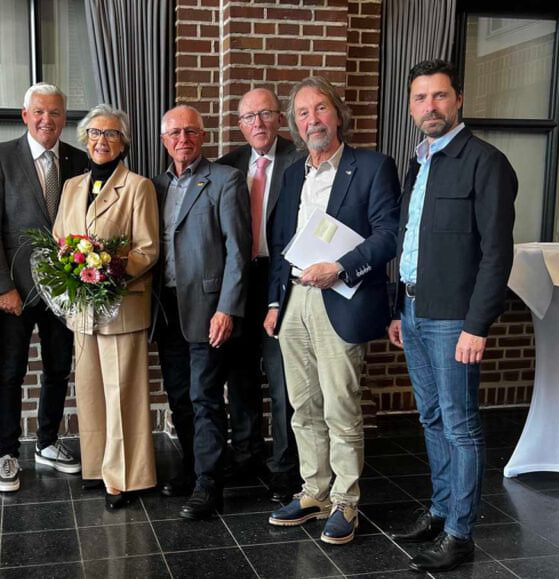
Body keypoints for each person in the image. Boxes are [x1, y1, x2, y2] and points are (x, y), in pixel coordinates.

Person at [388, 59, 517, 572]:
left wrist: (476, 325)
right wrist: (400, 307)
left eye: (439, 96)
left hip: (454, 319)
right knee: (432, 416)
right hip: (415, 310)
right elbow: (411, 244)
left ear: (458, 99)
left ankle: (461, 533)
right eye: (420, 98)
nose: (430, 107)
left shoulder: (486, 161)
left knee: (460, 425)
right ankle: (441, 510)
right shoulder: (418, 162)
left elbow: (496, 254)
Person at [265, 77, 400, 544]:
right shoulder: (292, 173)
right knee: (302, 405)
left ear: (337, 114)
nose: (312, 120)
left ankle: (346, 501)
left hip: (341, 296)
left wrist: (339, 268)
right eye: (303, 114)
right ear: (296, 125)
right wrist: (274, 300)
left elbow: (388, 235)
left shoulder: (372, 166)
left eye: (320, 109)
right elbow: (280, 242)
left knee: (341, 404)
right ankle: (314, 492)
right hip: (295, 300)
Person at [0, 83, 88, 492]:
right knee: (11, 371)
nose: (47, 120)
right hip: (16, 293)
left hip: (65, 290)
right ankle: (7, 452)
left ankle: (46, 442)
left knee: (59, 368)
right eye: (39, 112)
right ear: (25, 116)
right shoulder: (0, 157)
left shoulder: (78, 161)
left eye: (56, 113)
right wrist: (1, 285)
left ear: (64, 117)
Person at [53, 104, 159, 509]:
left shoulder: (138, 186)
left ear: (123, 142)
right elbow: (61, 239)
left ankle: (127, 477)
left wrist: (106, 269)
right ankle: (97, 467)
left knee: (123, 394)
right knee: (92, 392)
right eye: (95, 133)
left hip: (122, 306)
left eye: (111, 134)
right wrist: (74, 268)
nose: (102, 141)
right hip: (82, 309)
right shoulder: (72, 187)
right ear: (85, 139)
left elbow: (147, 248)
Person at [152, 105, 251, 519]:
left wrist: (227, 307)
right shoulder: (154, 186)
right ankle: (193, 470)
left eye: (191, 131)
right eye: (175, 133)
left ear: (203, 136)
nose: (183, 139)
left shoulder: (225, 180)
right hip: (166, 307)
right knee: (179, 396)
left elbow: (237, 250)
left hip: (208, 307)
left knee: (204, 395)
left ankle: (210, 483)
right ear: (164, 140)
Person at [216, 87, 302, 501]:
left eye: (266, 114)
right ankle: (246, 452)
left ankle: (285, 466)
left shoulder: (299, 161)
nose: (258, 124)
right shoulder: (227, 165)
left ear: (279, 118)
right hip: (238, 278)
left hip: (280, 276)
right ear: (240, 125)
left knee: (282, 378)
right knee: (240, 373)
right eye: (249, 118)